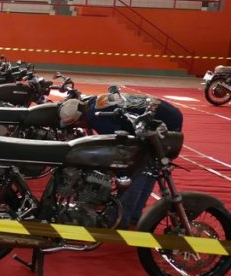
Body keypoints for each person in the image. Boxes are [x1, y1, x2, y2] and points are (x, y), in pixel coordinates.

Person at [59, 91, 184, 229]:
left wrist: (120, 174)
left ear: (80, 119)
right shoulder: (92, 102)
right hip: (164, 112)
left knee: (138, 174)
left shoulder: (97, 119)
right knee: (150, 169)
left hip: (163, 122)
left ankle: (120, 221)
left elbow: (119, 146)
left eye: (76, 124)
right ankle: (134, 215)